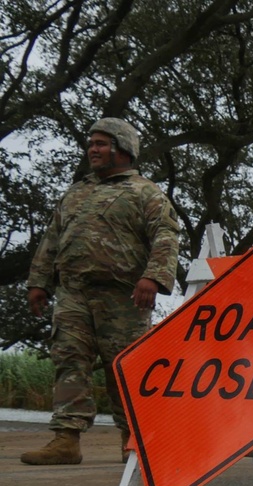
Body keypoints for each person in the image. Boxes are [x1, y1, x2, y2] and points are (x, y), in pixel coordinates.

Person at [20, 118, 181, 465]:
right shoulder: (76, 192)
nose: (93, 149)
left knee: (125, 367)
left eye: (102, 143)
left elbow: (166, 236)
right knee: (69, 360)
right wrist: (38, 282)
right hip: (73, 294)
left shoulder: (145, 192)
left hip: (123, 297)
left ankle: (133, 440)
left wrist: (152, 278)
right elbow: (52, 239)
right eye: (92, 143)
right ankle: (66, 439)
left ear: (123, 149)